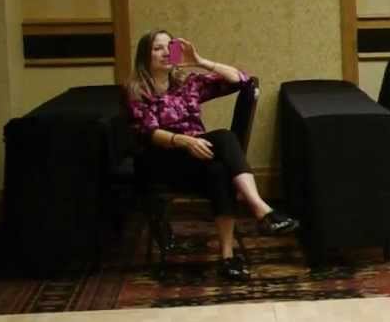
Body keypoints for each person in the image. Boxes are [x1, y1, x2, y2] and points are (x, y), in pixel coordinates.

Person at [124, 29, 298, 281]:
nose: (165, 52)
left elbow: (240, 80)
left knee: (219, 171)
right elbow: (147, 132)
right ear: (144, 56)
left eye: (168, 47)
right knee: (225, 138)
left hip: (194, 156)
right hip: (159, 161)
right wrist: (182, 140)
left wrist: (199, 61)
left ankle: (227, 257)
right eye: (157, 48)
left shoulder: (186, 83)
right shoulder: (136, 90)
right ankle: (260, 208)